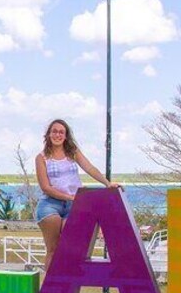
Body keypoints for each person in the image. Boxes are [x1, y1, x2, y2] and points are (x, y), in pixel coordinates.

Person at [35, 118, 120, 277]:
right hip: (50, 205)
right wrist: (70, 197)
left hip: (73, 205)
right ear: (48, 134)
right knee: (53, 249)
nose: (58, 135)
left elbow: (89, 168)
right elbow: (45, 187)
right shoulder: (41, 158)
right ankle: (51, 286)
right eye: (54, 131)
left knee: (69, 246)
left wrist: (107, 183)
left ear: (66, 135)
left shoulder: (72, 152)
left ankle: (65, 281)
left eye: (61, 132)